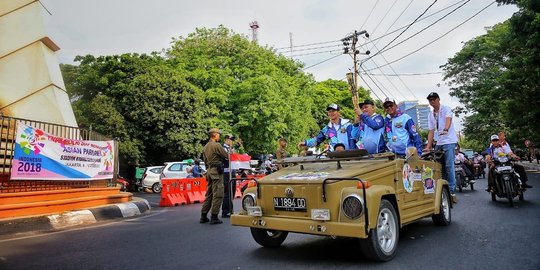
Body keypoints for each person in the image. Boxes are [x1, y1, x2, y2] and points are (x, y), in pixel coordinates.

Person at [423, 92, 459, 203]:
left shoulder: (446, 109)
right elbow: (431, 131)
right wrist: (428, 146)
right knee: (438, 166)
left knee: (449, 165)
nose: (432, 101)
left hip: (449, 141)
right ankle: (442, 189)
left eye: (434, 99)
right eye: (430, 100)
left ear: (438, 99)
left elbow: (448, 120)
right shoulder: (431, 115)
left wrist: (446, 129)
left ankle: (452, 190)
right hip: (439, 142)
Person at [200, 128, 229, 225]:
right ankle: (214, 216)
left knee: (209, 194)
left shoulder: (206, 146)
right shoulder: (216, 145)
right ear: (215, 135)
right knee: (218, 194)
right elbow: (226, 155)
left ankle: (203, 216)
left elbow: (205, 161)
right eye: (219, 134)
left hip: (209, 171)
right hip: (217, 172)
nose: (219, 136)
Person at [221, 134, 237, 218]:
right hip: (227, 172)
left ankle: (230, 209)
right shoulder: (223, 148)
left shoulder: (230, 148)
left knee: (233, 191)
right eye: (230, 140)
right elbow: (228, 157)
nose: (231, 141)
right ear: (226, 140)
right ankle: (225, 211)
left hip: (232, 171)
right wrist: (231, 149)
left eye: (232, 140)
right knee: (227, 191)